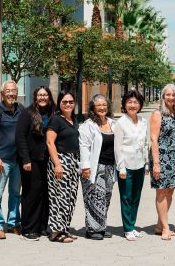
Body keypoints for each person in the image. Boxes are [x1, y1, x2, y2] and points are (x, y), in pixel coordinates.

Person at [16, 86, 54, 241]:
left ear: (49, 97)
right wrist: (25, 159)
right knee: (31, 193)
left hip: (47, 160)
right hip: (31, 160)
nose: (43, 97)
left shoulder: (52, 113)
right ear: (35, 97)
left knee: (45, 193)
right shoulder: (27, 113)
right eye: (40, 95)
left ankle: (42, 226)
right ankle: (29, 228)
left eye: (45, 95)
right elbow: (20, 137)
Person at [149, 83, 175, 241]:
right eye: (167, 94)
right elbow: (153, 139)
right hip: (162, 159)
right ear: (163, 96)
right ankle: (165, 227)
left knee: (170, 191)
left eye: (173, 95)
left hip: (174, 159)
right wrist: (156, 163)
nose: (170, 97)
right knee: (161, 191)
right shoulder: (157, 114)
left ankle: (159, 224)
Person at [0, 80, 22, 239]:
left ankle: (13, 223)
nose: (11, 94)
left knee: (15, 194)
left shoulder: (21, 109)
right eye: (8, 91)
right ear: (2, 93)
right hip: (2, 160)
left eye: (13, 91)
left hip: (18, 160)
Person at [79, 94, 117, 240]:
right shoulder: (87, 126)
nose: (102, 107)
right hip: (94, 168)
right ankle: (92, 229)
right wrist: (85, 167)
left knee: (106, 197)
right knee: (94, 197)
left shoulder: (113, 124)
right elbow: (84, 147)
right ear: (93, 108)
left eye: (104, 105)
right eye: (98, 105)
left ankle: (101, 226)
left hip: (109, 167)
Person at [114, 89, 149, 241]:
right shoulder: (120, 123)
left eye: (135, 102)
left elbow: (145, 143)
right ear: (124, 105)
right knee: (126, 197)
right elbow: (117, 147)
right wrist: (121, 167)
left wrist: (147, 163)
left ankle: (133, 225)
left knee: (136, 196)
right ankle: (127, 228)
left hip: (140, 164)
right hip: (126, 165)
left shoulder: (143, 121)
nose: (132, 105)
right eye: (129, 102)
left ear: (140, 104)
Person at [46, 90, 80, 243]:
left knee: (70, 197)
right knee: (59, 197)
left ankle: (64, 229)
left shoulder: (74, 119)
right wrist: (57, 164)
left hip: (73, 161)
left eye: (71, 102)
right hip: (60, 160)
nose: (68, 104)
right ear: (59, 103)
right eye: (65, 102)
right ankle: (55, 231)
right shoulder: (56, 119)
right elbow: (49, 142)